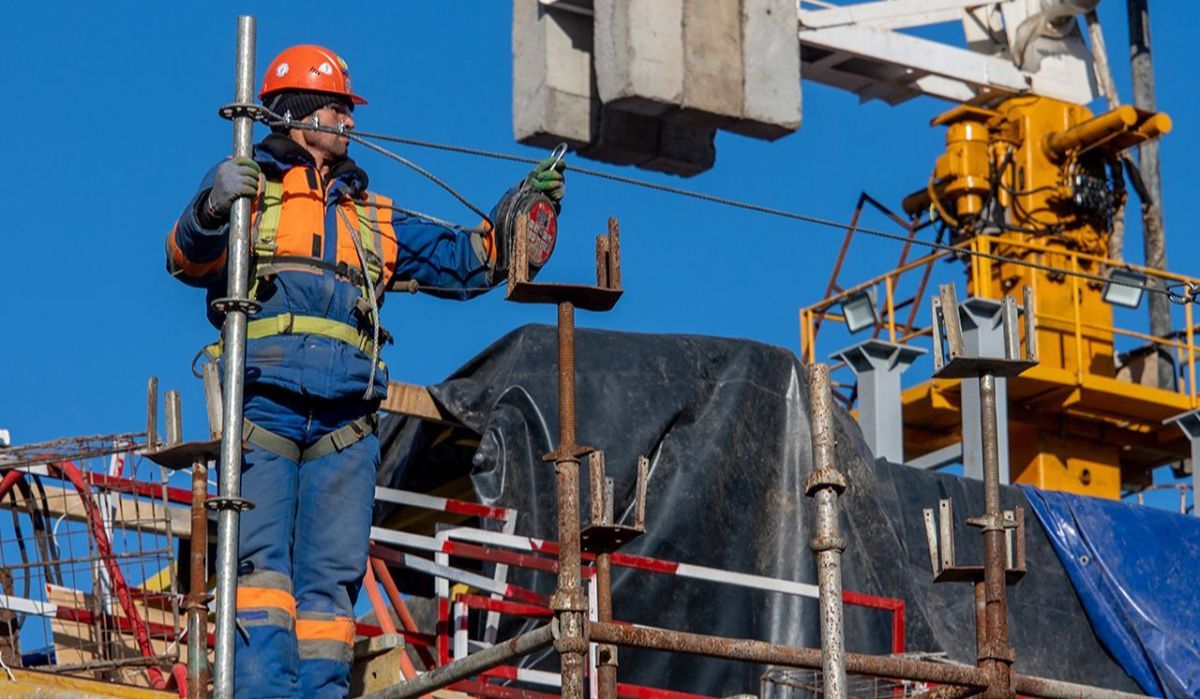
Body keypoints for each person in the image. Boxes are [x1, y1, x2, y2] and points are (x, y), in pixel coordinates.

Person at [166, 44, 565, 698]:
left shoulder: (371, 216)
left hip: (346, 427)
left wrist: (524, 210)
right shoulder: (252, 193)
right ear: (293, 114)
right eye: (334, 109)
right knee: (262, 572)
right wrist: (211, 206)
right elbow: (185, 260)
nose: (348, 122)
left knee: (329, 584)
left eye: (347, 112)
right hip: (263, 414)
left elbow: (472, 261)